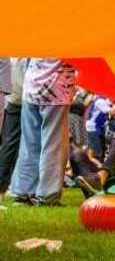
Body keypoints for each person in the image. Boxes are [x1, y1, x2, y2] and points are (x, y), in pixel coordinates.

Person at [8, 58, 77, 206]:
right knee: (54, 145)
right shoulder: (69, 36)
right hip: (57, 90)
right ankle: (48, 196)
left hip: (31, 87)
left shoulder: (37, 35)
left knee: (29, 144)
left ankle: (23, 193)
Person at [0, 58, 27, 194]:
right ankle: (4, 185)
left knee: (11, 144)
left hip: (15, 101)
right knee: (12, 145)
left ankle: (8, 184)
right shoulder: (20, 57)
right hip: (19, 102)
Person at [83, 95, 112, 162]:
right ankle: (95, 164)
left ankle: (91, 161)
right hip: (94, 127)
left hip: (93, 126)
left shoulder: (100, 98)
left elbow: (108, 103)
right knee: (97, 149)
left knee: (92, 146)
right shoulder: (100, 101)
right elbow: (110, 112)